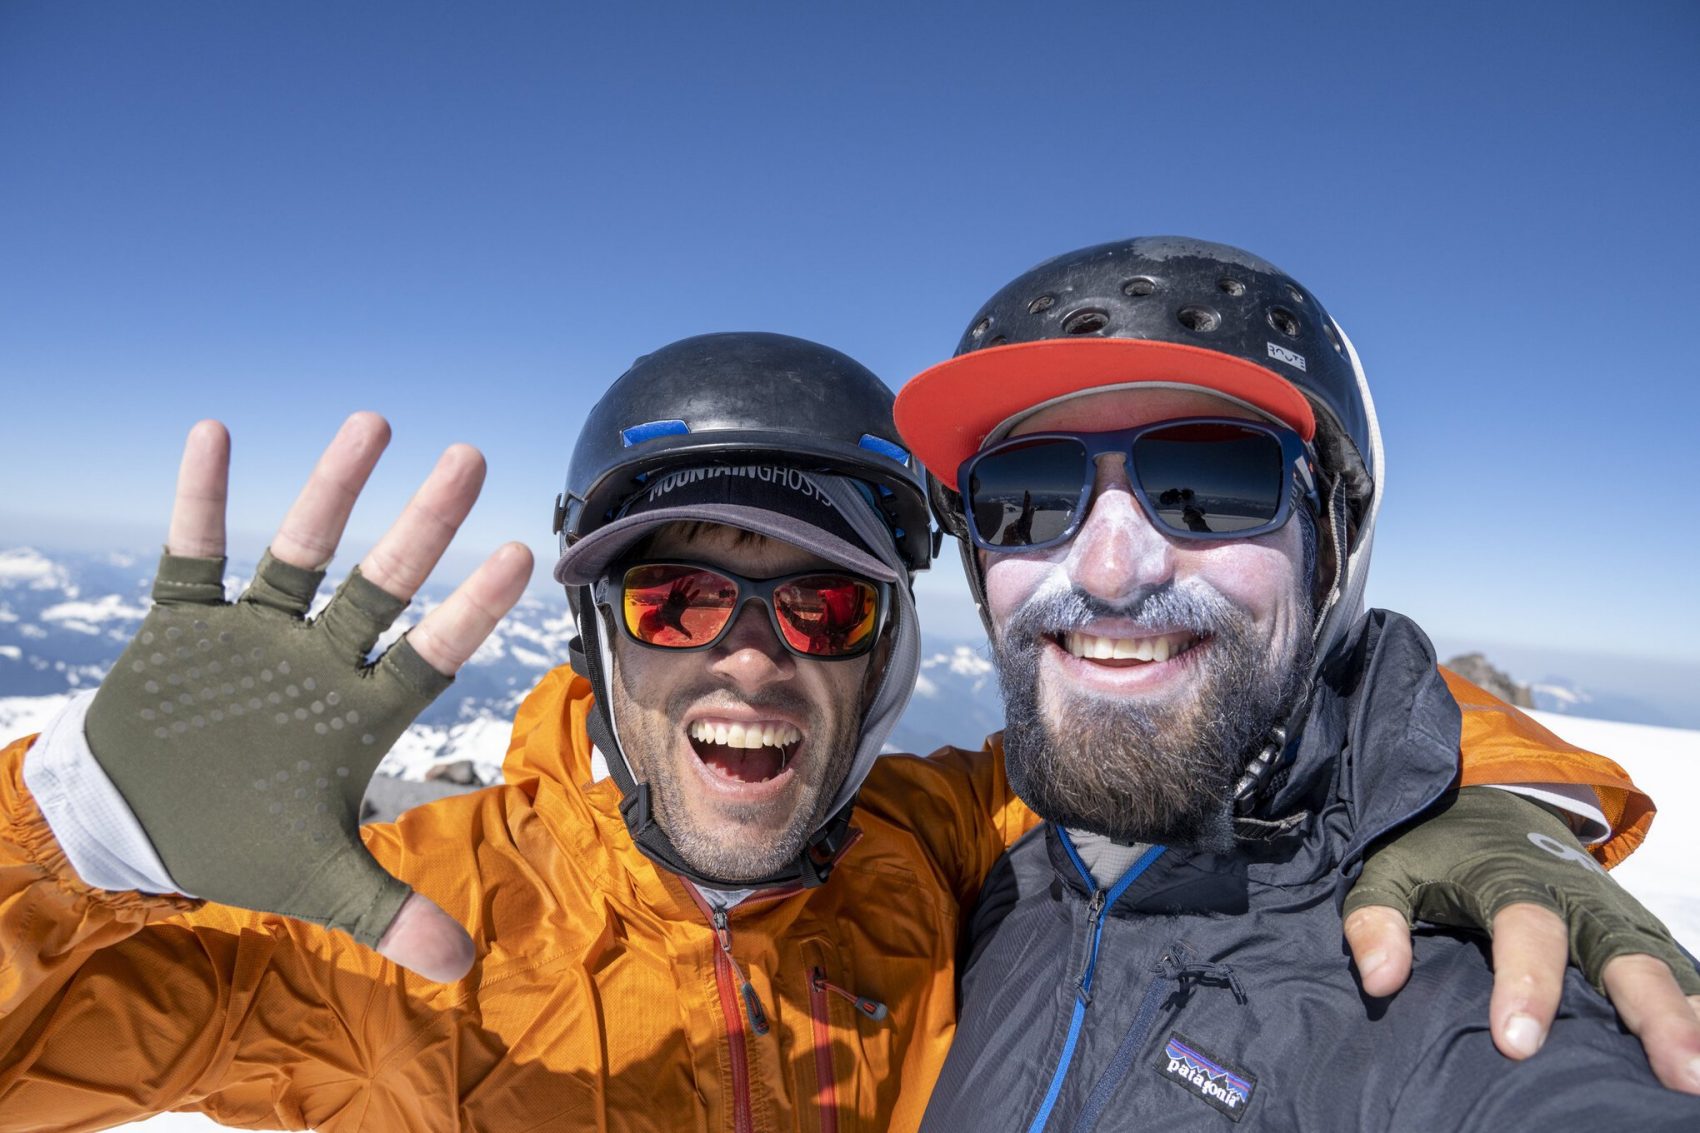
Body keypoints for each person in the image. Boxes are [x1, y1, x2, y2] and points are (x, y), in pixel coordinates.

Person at [0, 333, 1683, 1133]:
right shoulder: (383, 919)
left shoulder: (926, 842)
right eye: (676, 601)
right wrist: (81, 824)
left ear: (885, 652)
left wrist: (1465, 797)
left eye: (821, 605)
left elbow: (1177, 711)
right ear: (597, 638)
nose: (751, 661)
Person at [891, 237, 1700, 1129]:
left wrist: (1469, 799)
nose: (1112, 569)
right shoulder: (982, 860)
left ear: (1332, 549)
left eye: (1211, 479)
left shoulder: (1444, 983)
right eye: (1028, 493)